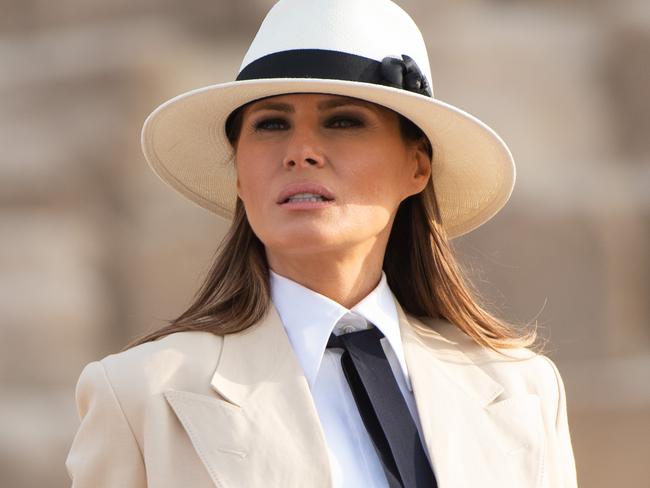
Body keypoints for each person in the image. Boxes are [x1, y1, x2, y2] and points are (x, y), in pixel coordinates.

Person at [65, 0, 578, 487]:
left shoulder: (523, 390)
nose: (301, 152)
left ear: (417, 165)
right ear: (238, 174)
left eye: (343, 121)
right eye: (270, 124)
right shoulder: (139, 396)